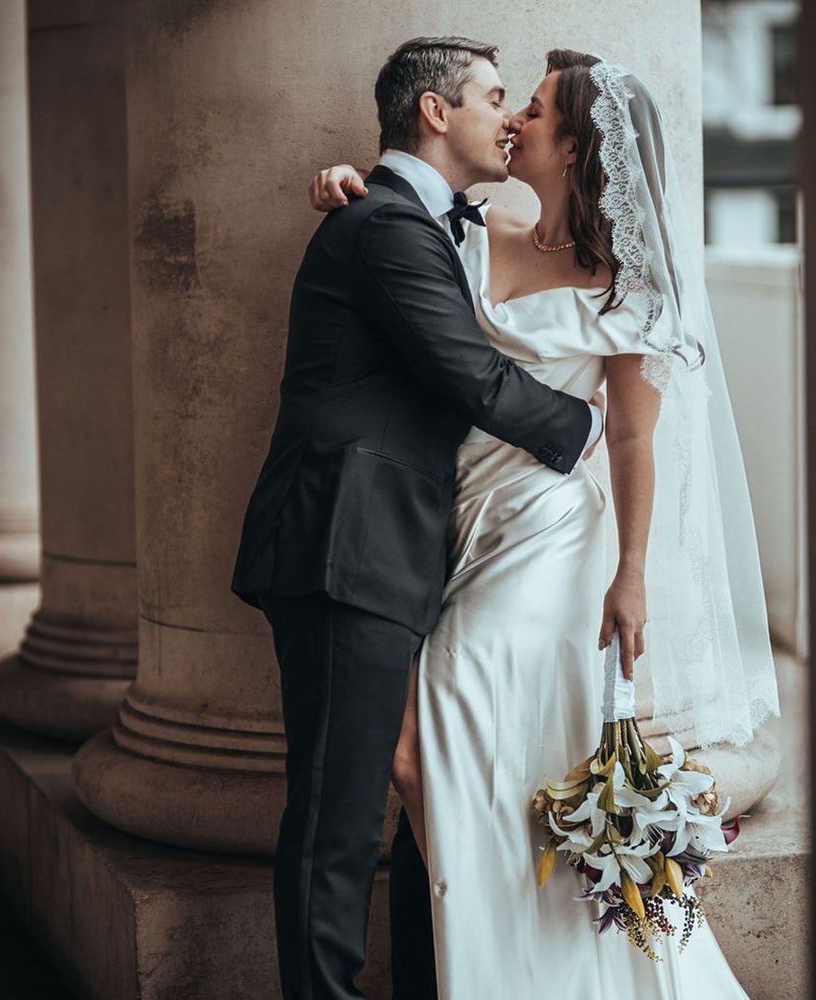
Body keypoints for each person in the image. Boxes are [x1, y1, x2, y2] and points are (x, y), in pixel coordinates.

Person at [308, 48, 781, 998]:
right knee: (491, 759)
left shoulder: (630, 290)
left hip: (548, 539)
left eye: (533, 109)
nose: (514, 120)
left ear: (573, 149)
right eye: (507, 102)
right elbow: (404, 258)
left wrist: (632, 572)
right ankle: (525, 961)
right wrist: (346, 185)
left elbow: (636, 445)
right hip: (444, 526)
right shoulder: (471, 230)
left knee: (433, 725)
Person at [229, 37, 607, 1000]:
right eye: (491, 96)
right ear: (435, 113)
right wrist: (591, 426)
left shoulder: (422, 218)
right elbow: (467, 374)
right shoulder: (391, 224)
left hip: (391, 549)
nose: (509, 117)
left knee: (381, 798)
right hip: (342, 545)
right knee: (337, 817)